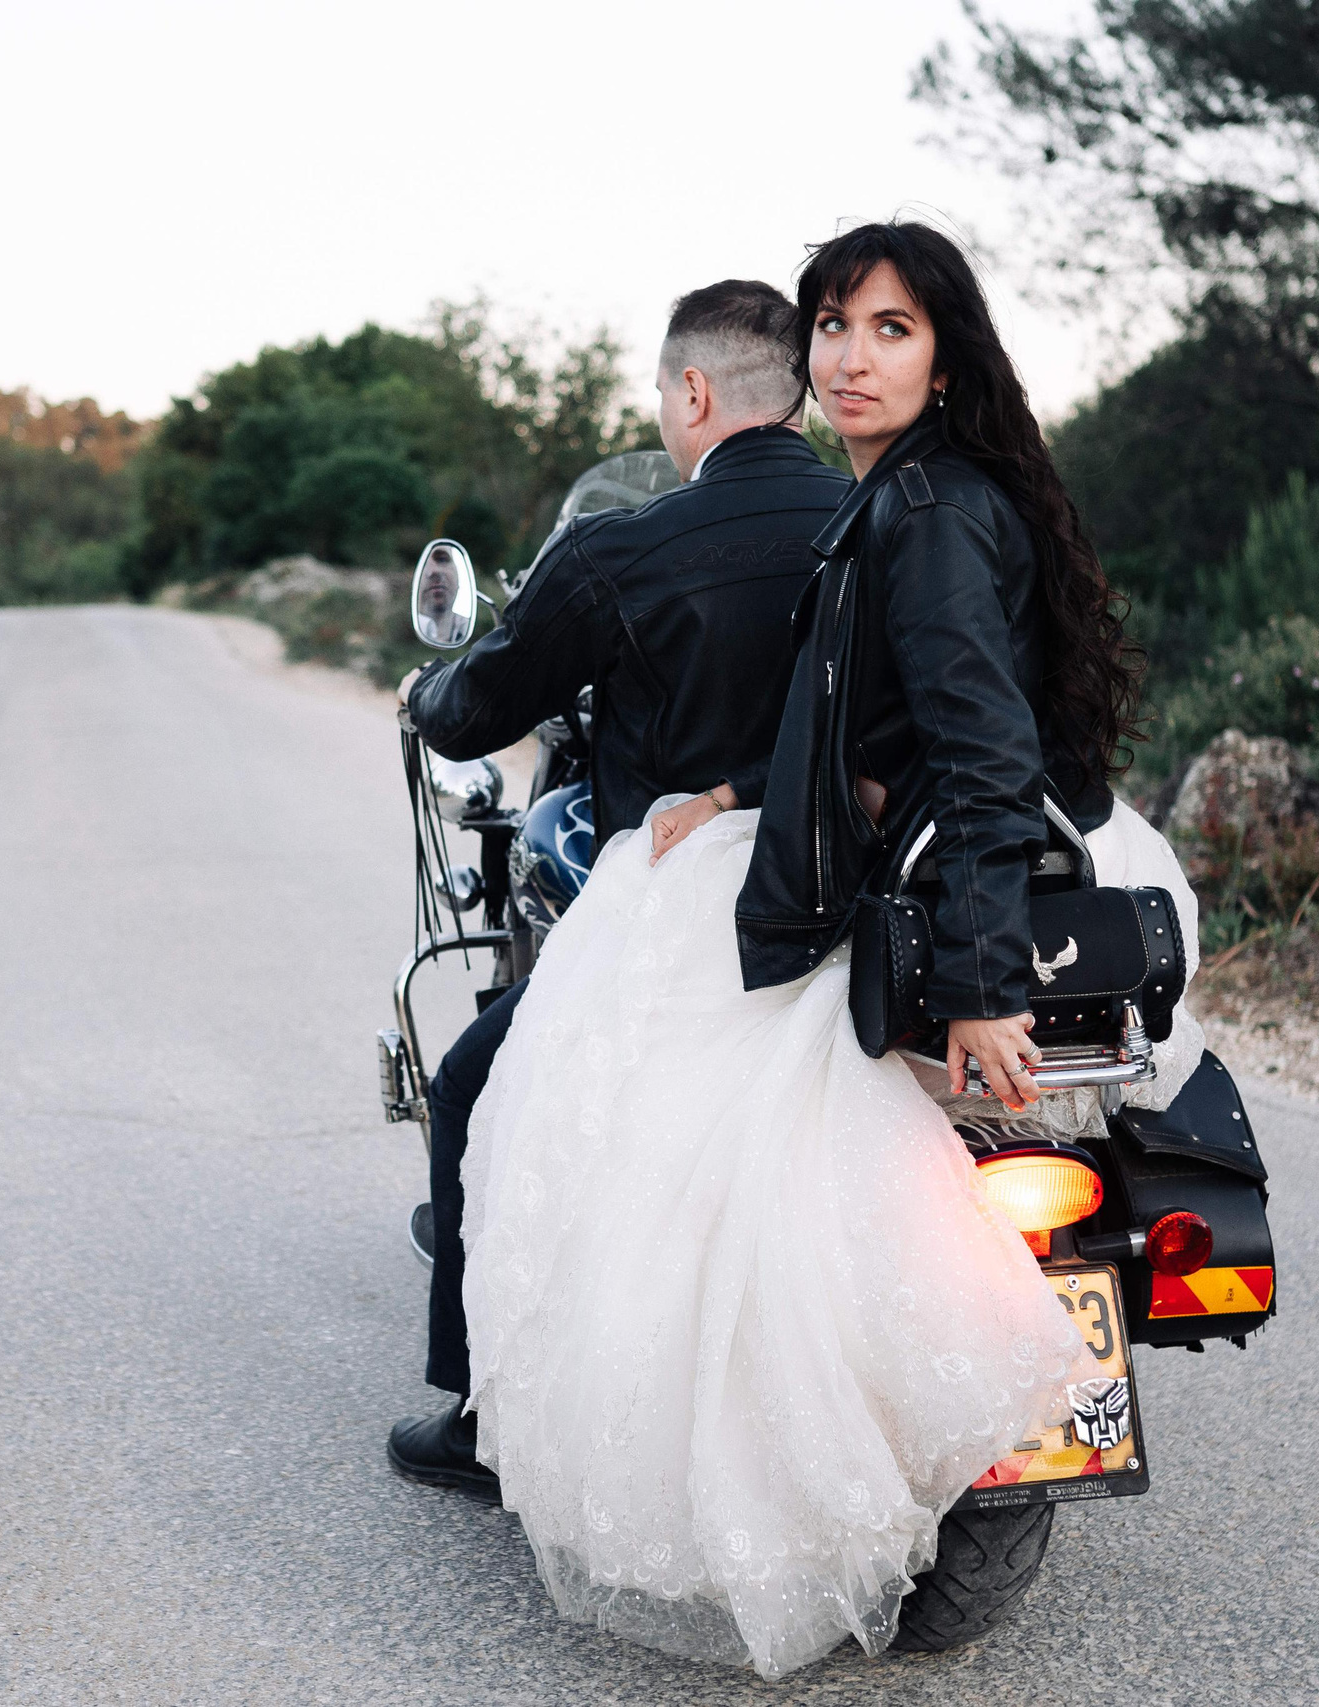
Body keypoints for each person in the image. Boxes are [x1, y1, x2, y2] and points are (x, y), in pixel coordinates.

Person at [458, 221, 1156, 1678]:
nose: (850, 356)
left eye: (890, 329)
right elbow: (877, 725)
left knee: (646, 1136)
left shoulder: (929, 511)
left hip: (913, 913)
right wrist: (737, 791)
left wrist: (979, 988)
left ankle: (755, 1475)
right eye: (833, 326)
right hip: (854, 867)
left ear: (946, 356)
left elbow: (982, 756)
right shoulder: (897, 494)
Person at [386, 280, 853, 1497]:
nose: (661, 411)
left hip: (686, 924)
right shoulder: (881, 523)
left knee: (473, 1083)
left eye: (660, 391)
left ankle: (481, 1416)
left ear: (693, 391)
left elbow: (480, 705)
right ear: (799, 392)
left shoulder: (622, 549)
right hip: (861, 917)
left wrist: (426, 695)